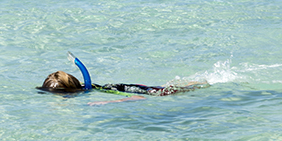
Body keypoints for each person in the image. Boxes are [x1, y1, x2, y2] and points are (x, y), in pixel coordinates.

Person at [39, 52, 206, 103]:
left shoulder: (86, 91)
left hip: (130, 89)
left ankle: (200, 83)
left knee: (173, 91)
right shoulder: (83, 89)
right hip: (119, 86)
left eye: (62, 96)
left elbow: (138, 97)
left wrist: (107, 102)